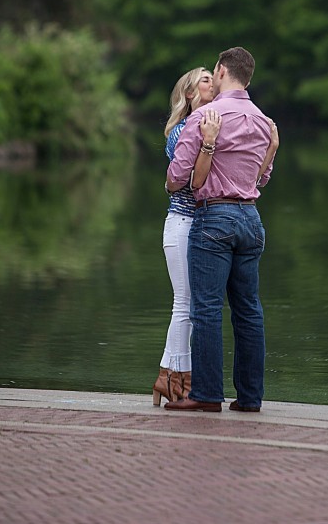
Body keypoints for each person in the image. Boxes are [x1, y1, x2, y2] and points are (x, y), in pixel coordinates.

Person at [164, 47, 279, 413]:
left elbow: (175, 178)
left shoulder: (207, 117)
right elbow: (262, 177)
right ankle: (249, 398)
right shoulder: (263, 121)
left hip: (215, 217)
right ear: (248, 77)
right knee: (249, 310)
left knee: (207, 308)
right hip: (252, 218)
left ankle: (208, 394)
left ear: (221, 70)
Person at [152, 67, 222, 406]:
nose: (212, 83)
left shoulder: (217, 125)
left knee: (192, 304)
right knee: (186, 303)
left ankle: (168, 375)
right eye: (204, 79)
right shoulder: (180, 130)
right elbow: (190, 179)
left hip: (205, 225)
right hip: (182, 222)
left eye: (213, 77)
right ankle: (177, 377)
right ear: (190, 94)